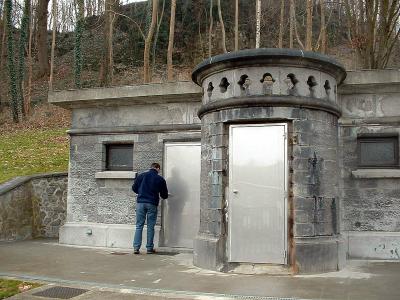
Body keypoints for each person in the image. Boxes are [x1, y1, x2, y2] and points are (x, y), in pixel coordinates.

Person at [132, 162, 168, 254]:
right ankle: (149, 248)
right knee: (150, 227)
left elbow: (134, 188)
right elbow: (164, 195)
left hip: (140, 203)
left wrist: (141, 192)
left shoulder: (141, 176)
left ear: (150, 167)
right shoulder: (160, 179)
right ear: (158, 169)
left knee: (139, 226)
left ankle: (136, 248)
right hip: (152, 203)